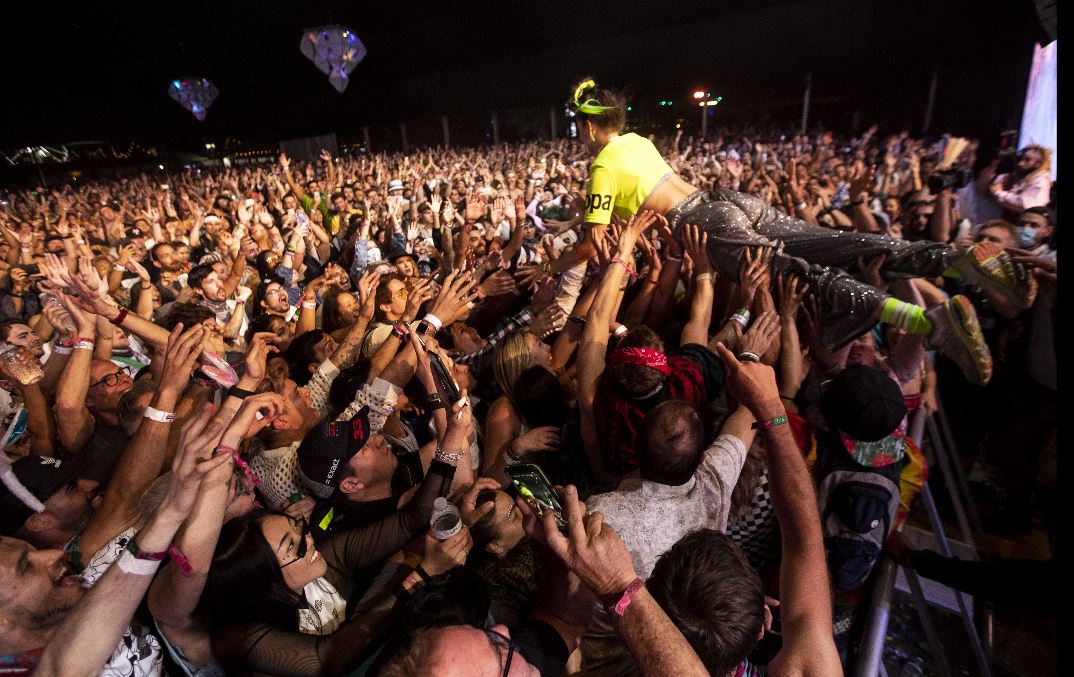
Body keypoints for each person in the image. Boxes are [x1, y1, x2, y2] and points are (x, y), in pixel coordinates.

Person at [555, 78, 1038, 386]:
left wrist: (572, 261)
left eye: (579, 124)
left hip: (702, 224)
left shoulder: (601, 165)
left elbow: (596, 243)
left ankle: (929, 323)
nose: (577, 132)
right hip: (726, 200)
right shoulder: (637, 140)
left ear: (591, 125)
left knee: (802, 275)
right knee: (838, 243)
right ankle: (958, 258)